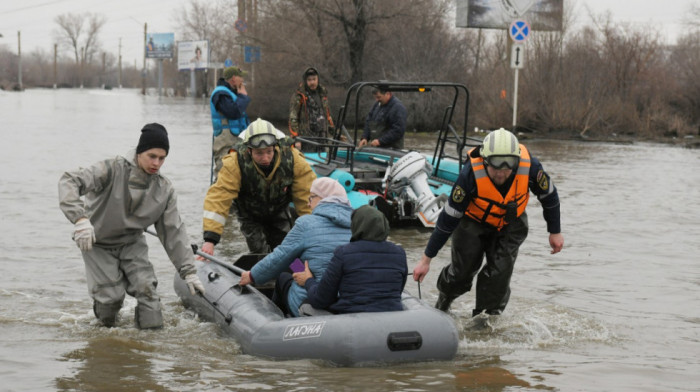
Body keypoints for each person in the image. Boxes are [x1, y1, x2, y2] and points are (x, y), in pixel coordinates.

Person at [58, 123, 205, 329]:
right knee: (111, 298)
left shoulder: (164, 189)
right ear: (139, 152)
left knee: (148, 292)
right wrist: (80, 219)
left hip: (132, 242)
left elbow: (173, 231)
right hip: (97, 241)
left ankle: (149, 346)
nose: (157, 163)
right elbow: (69, 180)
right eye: (152, 156)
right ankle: (104, 337)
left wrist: (188, 271)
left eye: (162, 158)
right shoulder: (111, 169)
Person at [412, 128, 564, 317]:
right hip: (472, 223)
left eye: (507, 167)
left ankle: (484, 321)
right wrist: (426, 259)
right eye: (495, 167)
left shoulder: (530, 166)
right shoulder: (469, 175)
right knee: (461, 274)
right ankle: (444, 300)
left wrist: (554, 231)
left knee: (499, 276)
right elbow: (448, 219)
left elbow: (549, 196)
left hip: (510, 224)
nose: (501, 174)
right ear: (485, 161)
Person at [239, 177, 353, 316]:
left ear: (321, 198)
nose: (308, 204)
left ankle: (278, 323)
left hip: (311, 301)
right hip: (347, 302)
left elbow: (280, 256)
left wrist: (252, 275)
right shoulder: (357, 224)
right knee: (295, 263)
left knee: (282, 277)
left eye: (311, 198)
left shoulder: (306, 223)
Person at [201, 118, 316, 256]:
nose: (265, 158)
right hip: (250, 215)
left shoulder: (293, 159)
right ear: (249, 151)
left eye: (269, 152)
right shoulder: (235, 162)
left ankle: (296, 272)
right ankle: (260, 274)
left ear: (275, 147)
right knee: (259, 252)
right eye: (259, 153)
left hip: (279, 210)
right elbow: (219, 196)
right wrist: (210, 239)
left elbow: (306, 197)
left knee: (287, 250)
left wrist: (312, 234)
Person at [293, 205, 407, 314]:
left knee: (288, 283)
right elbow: (398, 290)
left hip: (351, 319)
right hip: (391, 319)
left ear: (356, 226)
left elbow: (320, 299)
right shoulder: (400, 253)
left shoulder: (343, 252)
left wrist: (308, 280)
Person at [210, 66, 251, 181]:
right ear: (233, 79)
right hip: (225, 142)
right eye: (241, 77)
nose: (242, 80)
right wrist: (243, 96)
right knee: (224, 172)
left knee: (238, 174)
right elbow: (233, 112)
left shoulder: (231, 93)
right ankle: (219, 197)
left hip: (236, 140)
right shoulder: (221, 93)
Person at [288, 67, 335, 152]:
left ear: (318, 79)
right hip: (306, 138)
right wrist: (296, 138)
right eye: (309, 80)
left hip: (322, 136)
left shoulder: (322, 93)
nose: (312, 82)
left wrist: (334, 133)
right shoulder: (299, 95)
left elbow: (327, 115)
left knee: (323, 159)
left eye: (314, 79)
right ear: (305, 81)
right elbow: (293, 118)